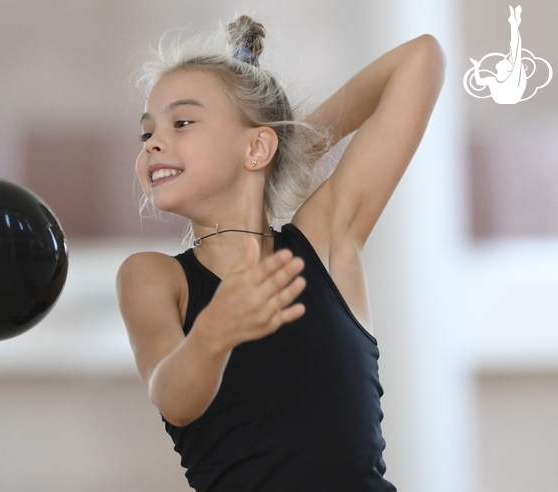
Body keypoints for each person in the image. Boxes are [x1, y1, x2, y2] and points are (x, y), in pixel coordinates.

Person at [116, 15, 444, 491]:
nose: (155, 144)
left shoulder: (325, 242)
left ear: (256, 146)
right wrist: (214, 333)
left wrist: (289, 149)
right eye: (147, 134)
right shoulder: (153, 277)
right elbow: (173, 397)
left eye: (182, 122)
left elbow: (421, 58)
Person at [470, 5, 526, 104]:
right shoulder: (492, 80)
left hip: (510, 99)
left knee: (515, 49)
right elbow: (479, 82)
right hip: (505, 99)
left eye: (506, 61)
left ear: (508, 69)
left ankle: (514, 23)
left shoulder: (512, 78)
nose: (503, 59)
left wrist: (514, 26)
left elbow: (515, 48)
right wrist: (476, 67)